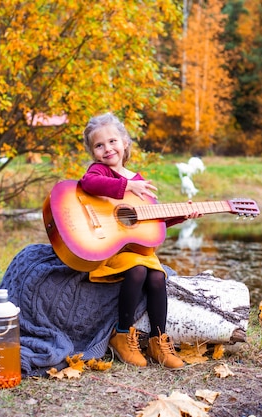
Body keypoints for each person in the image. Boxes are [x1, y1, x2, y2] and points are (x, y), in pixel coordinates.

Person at [78, 112, 199, 369]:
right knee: (138, 270)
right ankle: (121, 334)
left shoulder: (139, 180)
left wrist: (180, 216)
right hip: (111, 246)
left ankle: (158, 341)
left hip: (136, 246)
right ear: (92, 152)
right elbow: (88, 183)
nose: (107, 149)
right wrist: (126, 187)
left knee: (157, 276)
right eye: (99, 145)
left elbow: (148, 222)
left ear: (124, 142)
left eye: (112, 141)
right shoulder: (99, 172)